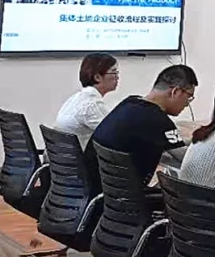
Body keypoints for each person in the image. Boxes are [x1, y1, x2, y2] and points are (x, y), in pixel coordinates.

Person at [84, 64, 196, 195]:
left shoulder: (130, 103)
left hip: (96, 190)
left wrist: (194, 140)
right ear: (175, 92)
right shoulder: (158, 120)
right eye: (189, 97)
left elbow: (168, 143)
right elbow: (186, 159)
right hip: (124, 197)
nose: (187, 104)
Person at [55, 53, 119, 149]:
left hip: (61, 156)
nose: (117, 77)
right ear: (97, 77)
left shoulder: (76, 98)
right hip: (79, 157)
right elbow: (116, 136)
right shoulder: (92, 104)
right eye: (114, 73)